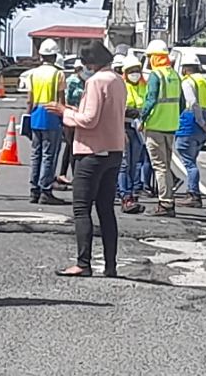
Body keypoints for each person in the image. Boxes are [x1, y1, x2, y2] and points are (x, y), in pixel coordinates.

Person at [45, 41, 126, 277]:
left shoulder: (95, 82)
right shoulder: (117, 80)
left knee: (81, 208)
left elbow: (90, 120)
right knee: (106, 209)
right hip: (114, 149)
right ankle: (110, 265)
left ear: (91, 63)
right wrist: (74, 110)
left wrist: (65, 113)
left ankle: (83, 263)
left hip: (92, 150)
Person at [140, 39, 183, 217]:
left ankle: (165, 203)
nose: (149, 60)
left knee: (159, 166)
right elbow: (182, 102)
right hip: (170, 126)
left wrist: (142, 118)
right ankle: (168, 200)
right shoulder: (174, 75)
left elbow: (150, 100)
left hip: (156, 125)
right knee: (165, 164)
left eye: (150, 57)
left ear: (156, 57)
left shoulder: (155, 76)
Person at [175, 53, 206, 208]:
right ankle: (192, 192)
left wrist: (200, 121)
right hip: (202, 124)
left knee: (188, 161)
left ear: (186, 69)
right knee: (192, 159)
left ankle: (193, 194)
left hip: (190, 122)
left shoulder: (188, 82)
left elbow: (192, 103)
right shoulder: (205, 82)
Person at [28, 38, 67, 205]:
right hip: (51, 114)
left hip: (36, 113)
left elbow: (29, 99)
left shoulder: (33, 73)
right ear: (54, 56)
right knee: (49, 155)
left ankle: (34, 190)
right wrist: (64, 118)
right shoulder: (58, 74)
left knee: (36, 154)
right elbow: (61, 99)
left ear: (41, 55)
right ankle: (45, 190)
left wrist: (28, 115)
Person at [118, 54, 147, 214]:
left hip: (139, 129)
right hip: (124, 127)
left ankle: (132, 193)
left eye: (137, 70)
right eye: (131, 71)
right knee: (124, 164)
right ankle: (125, 196)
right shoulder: (122, 86)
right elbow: (117, 109)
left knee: (135, 163)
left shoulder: (143, 86)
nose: (135, 73)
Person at [56, 61, 86, 188]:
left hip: (81, 116)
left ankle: (64, 174)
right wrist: (71, 109)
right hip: (71, 116)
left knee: (71, 147)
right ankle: (74, 175)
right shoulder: (72, 81)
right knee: (71, 146)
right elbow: (65, 100)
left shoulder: (87, 81)